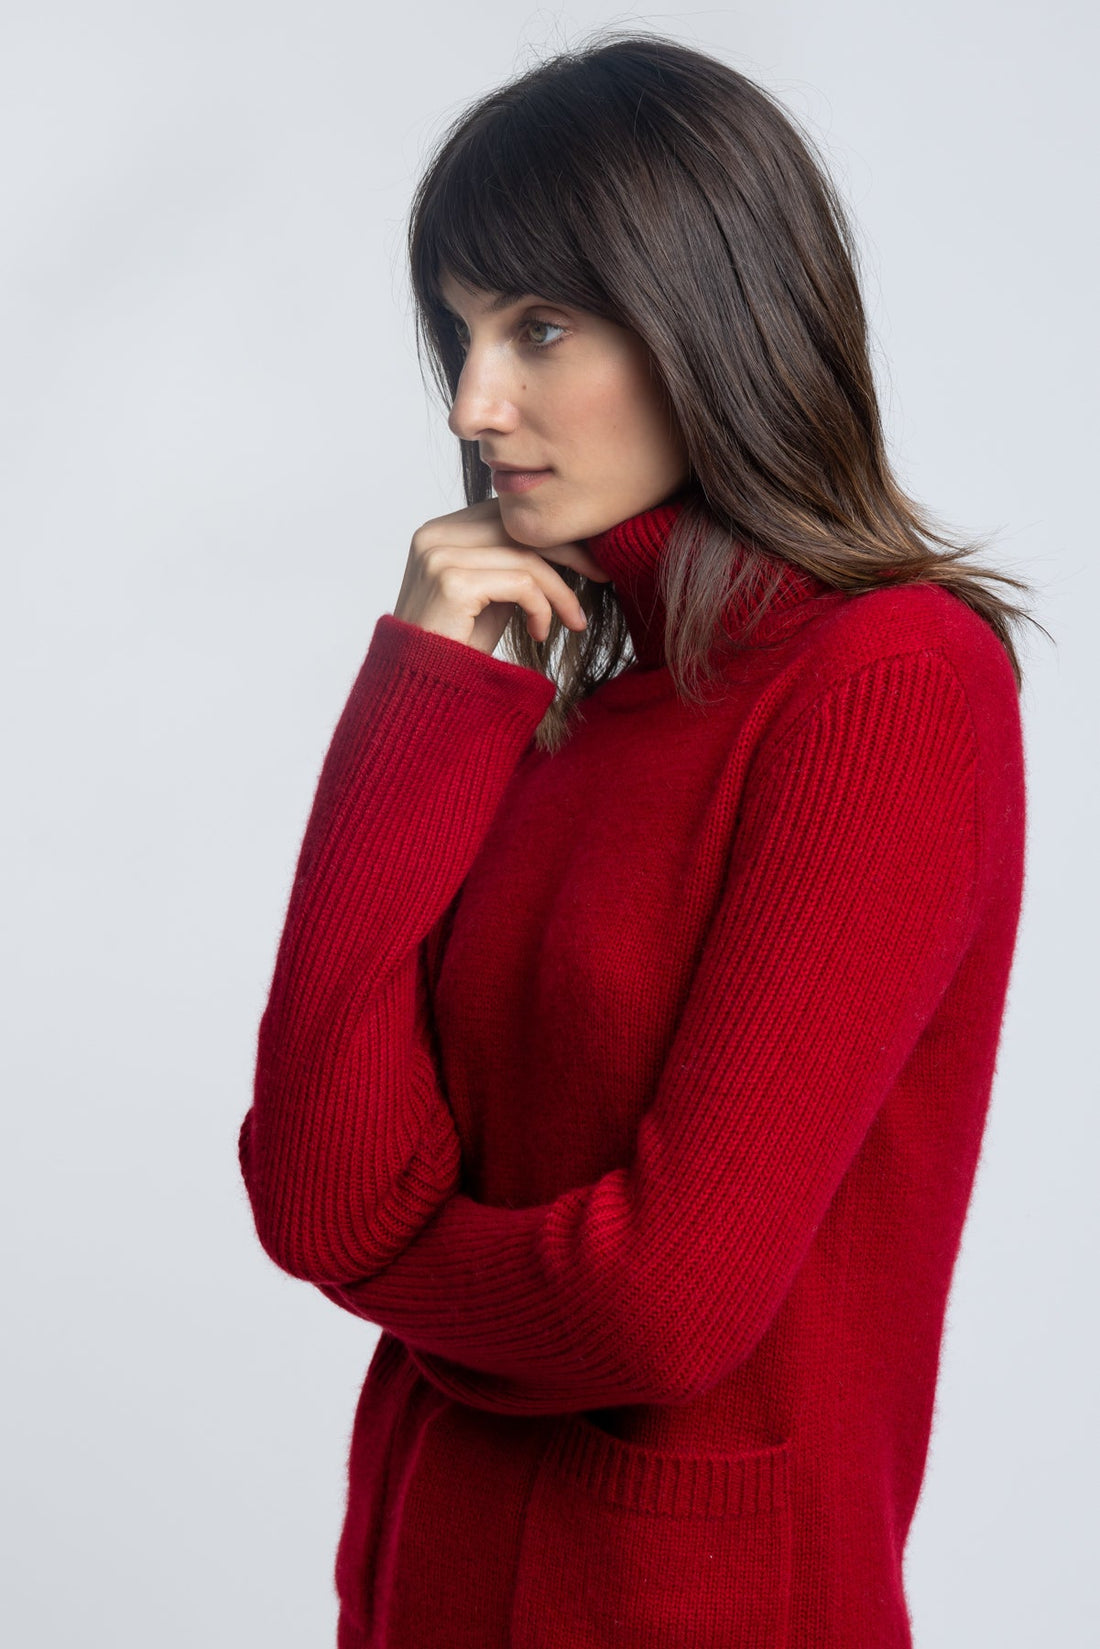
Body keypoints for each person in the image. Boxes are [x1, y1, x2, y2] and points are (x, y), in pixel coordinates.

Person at [237, 29, 1042, 1648]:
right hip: (424, 1582)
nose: (477, 403)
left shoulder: (891, 684)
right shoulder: (561, 704)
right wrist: (420, 692)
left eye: (538, 327)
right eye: (462, 332)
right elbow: (315, 1190)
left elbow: (663, 1306)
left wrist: (395, 1263)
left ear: (709, 314)